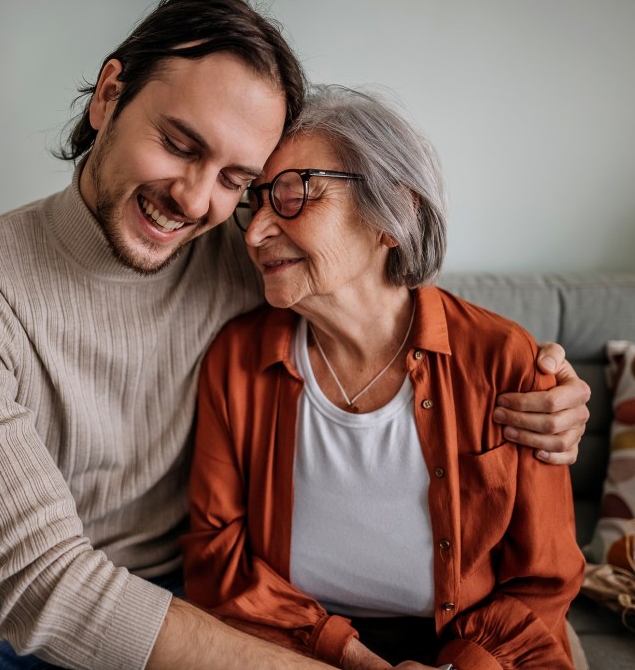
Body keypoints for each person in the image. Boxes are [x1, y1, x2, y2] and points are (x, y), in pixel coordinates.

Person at [0, 0, 589, 669]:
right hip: (10, 585)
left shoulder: (245, 251)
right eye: (179, 143)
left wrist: (533, 380)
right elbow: (46, 583)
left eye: (239, 179)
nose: (197, 202)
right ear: (108, 96)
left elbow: (372, 282)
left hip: (199, 587)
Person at [182, 85, 586, 670]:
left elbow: (544, 580)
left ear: (392, 214)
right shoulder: (237, 360)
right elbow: (217, 562)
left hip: (472, 648)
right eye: (257, 200)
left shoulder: (505, 360)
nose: (255, 231)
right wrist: (352, 658)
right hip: (290, 644)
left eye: (294, 196)